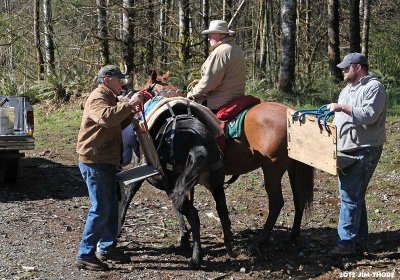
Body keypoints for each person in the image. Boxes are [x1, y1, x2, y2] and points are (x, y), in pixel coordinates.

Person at [75, 65, 143, 271]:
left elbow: (114, 123)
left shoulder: (109, 96)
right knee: (101, 208)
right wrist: (128, 105)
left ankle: (106, 247)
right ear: (106, 79)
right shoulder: (98, 97)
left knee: (112, 206)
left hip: (106, 159)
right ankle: (85, 254)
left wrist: (129, 111)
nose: (121, 82)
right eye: (118, 79)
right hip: (95, 160)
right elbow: (105, 118)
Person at [327, 53, 387, 256]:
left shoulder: (374, 87)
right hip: (347, 148)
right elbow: (340, 118)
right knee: (354, 195)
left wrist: (341, 107)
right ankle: (359, 241)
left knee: (349, 196)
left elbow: (368, 115)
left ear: (358, 67)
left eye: (346, 67)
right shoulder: (347, 89)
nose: (343, 71)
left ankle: (346, 244)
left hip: (365, 148)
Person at [187, 20, 246, 111]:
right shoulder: (236, 48)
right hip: (236, 98)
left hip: (220, 102)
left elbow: (209, 82)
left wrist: (191, 94)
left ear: (220, 35)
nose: (208, 39)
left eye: (210, 36)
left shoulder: (220, 52)